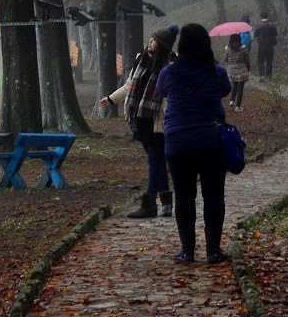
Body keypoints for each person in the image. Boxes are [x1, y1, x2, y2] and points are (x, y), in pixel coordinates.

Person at [157, 23, 232, 264]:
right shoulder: (216, 71)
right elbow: (225, 90)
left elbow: (162, 91)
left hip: (178, 142)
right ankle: (213, 251)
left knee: (184, 196)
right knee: (213, 196)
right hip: (211, 140)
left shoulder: (168, 73)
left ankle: (187, 250)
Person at [100, 24, 179, 219]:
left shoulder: (170, 66)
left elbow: (171, 96)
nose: (149, 42)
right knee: (158, 162)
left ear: (161, 45)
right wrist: (111, 99)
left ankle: (150, 203)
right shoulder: (141, 60)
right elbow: (130, 85)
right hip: (141, 120)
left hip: (158, 121)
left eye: (153, 40)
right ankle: (167, 202)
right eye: (150, 39)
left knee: (155, 161)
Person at [224, 34, 251, 112]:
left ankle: (231, 101)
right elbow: (247, 60)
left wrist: (231, 60)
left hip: (232, 69)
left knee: (234, 86)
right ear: (239, 40)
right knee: (240, 88)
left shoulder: (227, 48)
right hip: (241, 69)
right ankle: (238, 107)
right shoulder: (243, 49)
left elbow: (226, 59)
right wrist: (248, 68)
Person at [254, 12, 279, 79]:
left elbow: (255, 35)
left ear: (261, 17)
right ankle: (269, 76)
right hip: (270, 46)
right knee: (269, 61)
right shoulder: (272, 25)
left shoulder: (259, 25)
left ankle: (262, 75)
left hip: (262, 45)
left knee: (261, 61)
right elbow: (276, 34)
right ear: (268, 17)